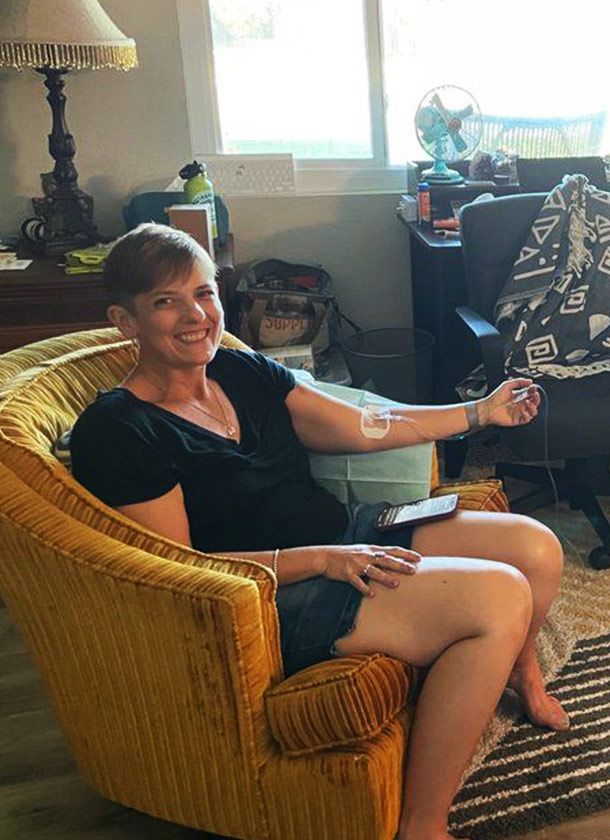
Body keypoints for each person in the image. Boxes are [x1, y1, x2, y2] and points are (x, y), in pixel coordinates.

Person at [70, 224, 568, 840]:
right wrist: (319, 560)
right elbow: (185, 568)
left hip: (345, 533)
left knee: (535, 548)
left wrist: (477, 412)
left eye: (204, 293)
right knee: (499, 595)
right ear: (126, 321)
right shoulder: (120, 430)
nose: (196, 315)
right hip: (271, 594)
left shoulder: (240, 371)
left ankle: (519, 670)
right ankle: (423, 824)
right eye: (166, 302)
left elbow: (366, 425)